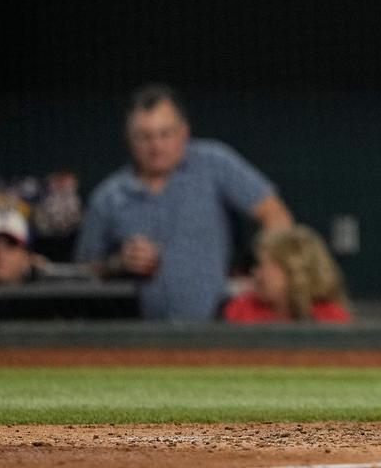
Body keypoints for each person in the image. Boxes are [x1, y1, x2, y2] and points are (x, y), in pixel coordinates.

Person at [74, 85, 294, 321]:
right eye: (145, 137)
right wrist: (119, 263)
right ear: (129, 138)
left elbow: (277, 216)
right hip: (139, 332)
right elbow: (85, 269)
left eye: (165, 134)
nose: (156, 146)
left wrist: (261, 273)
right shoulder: (109, 196)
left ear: (184, 132)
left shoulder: (214, 164)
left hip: (217, 325)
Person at [223, 225, 352, 324]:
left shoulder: (330, 319)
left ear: (293, 271)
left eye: (263, 266)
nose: (256, 272)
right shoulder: (242, 309)